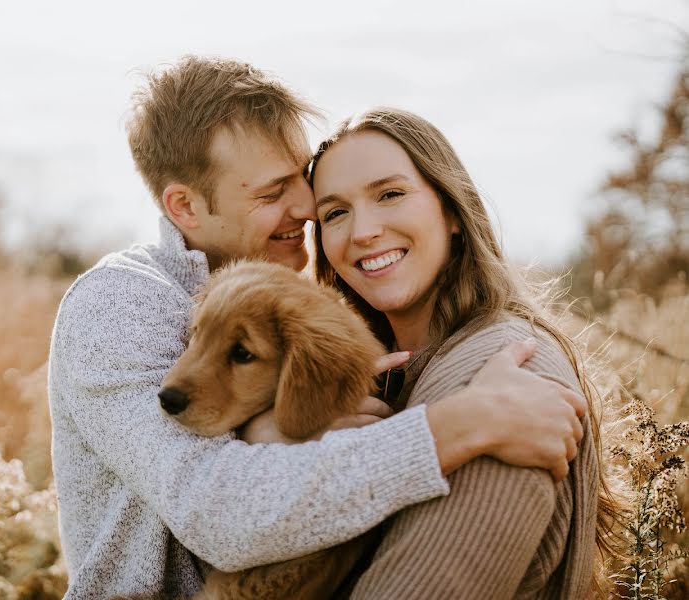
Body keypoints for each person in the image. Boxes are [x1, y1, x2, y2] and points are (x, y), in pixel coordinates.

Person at [46, 56, 587, 599]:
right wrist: (455, 426)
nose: (306, 207)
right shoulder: (120, 302)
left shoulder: (498, 362)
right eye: (271, 192)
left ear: (452, 207)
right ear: (185, 206)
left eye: (300, 179)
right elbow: (218, 513)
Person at [310, 107, 617, 598]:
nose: (362, 231)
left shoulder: (507, 377)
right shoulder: (389, 375)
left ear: (451, 211)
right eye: (334, 213)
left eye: (390, 194)